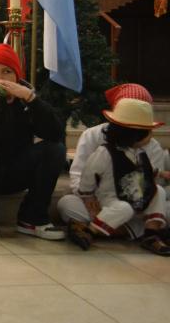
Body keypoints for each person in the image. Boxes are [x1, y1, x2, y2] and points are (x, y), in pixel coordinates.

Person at [0, 44, 67, 242]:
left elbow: (55, 133)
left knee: (55, 149)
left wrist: (30, 99)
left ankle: (32, 218)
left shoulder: (27, 98)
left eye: (6, 72)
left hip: (17, 170)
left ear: (17, 76)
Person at [58, 84, 169, 242]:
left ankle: (139, 232)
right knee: (67, 204)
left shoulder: (151, 147)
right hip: (103, 200)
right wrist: (92, 202)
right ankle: (120, 229)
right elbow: (80, 176)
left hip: (138, 203)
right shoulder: (95, 139)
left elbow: (152, 180)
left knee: (161, 198)